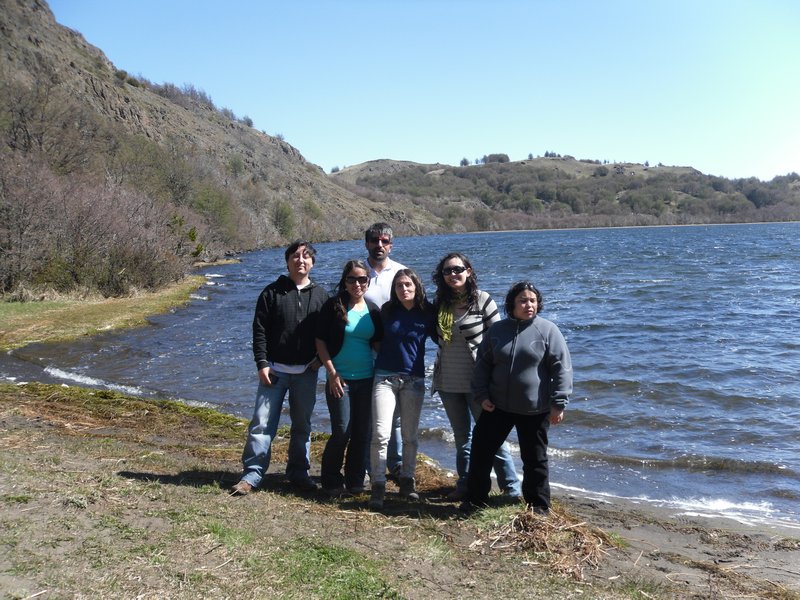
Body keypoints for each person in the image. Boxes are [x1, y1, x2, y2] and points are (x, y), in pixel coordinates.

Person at [462, 281, 572, 514]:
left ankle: (538, 505)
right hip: (497, 406)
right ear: (512, 304)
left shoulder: (548, 330)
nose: (528, 304)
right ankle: (475, 499)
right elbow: (482, 366)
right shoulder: (497, 331)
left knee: (535, 459)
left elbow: (561, 369)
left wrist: (558, 403)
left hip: (535, 408)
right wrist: (481, 395)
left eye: (532, 300)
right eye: (523, 300)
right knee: (481, 451)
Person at [231, 240, 329, 496]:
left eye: (306, 257)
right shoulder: (271, 292)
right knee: (262, 425)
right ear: (287, 261)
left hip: (306, 372)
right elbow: (259, 331)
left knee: (302, 426)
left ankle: (298, 473)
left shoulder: (321, 295)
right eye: (295, 256)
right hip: (273, 372)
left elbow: (330, 333)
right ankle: (252, 474)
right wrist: (261, 364)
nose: (301, 260)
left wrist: (320, 361)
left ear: (313, 263)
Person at [431, 253, 522, 501]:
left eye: (457, 269)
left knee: (493, 438)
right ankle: (466, 486)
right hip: (448, 382)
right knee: (463, 439)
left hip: (478, 384)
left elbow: (500, 342)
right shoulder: (440, 304)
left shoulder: (483, 300)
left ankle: (511, 490)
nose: (453, 275)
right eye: (447, 271)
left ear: (468, 271)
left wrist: (497, 381)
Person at [369, 269, 436, 510]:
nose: (404, 289)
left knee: (410, 436)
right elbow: (374, 339)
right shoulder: (387, 311)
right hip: (385, 378)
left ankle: (407, 481)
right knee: (381, 434)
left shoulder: (427, 313)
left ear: (416, 286)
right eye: (399, 285)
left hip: (413, 380)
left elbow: (443, 339)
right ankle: (378, 485)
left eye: (408, 285)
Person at [315, 260, 383, 496]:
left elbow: (378, 344)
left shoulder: (373, 310)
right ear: (344, 281)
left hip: (367, 379)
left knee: (363, 432)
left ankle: (355, 480)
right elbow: (320, 341)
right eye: (352, 279)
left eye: (362, 279)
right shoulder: (334, 306)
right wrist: (332, 373)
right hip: (339, 379)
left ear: (368, 281)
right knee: (342, 430)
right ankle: (331, 480)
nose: (357, 284)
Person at [363, 222, 405, 480]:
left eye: (384, 240)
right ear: (366, 243)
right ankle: (368, 466)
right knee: (369, 414)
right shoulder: (357, 272)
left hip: (394, 353)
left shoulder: (401, 272)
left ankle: (396, 464)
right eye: (374, 240)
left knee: (396, 416)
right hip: (364, 353)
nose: (379, 245)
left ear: (391, 244)